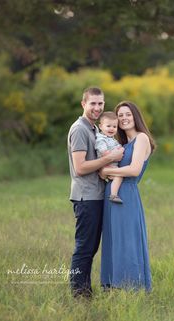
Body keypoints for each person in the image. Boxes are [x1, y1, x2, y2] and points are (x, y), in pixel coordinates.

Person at [67, 87, 124, 298]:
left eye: (101, 103)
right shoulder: (80, 129)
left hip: (95, 196)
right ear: (83, 104)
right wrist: (110, 159)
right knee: (84, 248)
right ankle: (79, 294)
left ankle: (84, 291)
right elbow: (80, 167)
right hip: (86, 197)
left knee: (90, 248)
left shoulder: (93, 129)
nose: (97, 107)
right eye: (93, 103)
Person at [100, 101, 156, 291]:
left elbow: (133, 170)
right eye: (120, 115)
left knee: (127, 240)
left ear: (135, 116)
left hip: (127, 195)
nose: (124, 118)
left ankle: (132, 286)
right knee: (114, 239)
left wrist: (107, 171)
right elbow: (102, 172)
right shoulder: (121, 144)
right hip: (111, 195)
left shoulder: (141, 139)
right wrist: (105, 170)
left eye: (127, 114)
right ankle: (112, 285)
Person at [95, 111, 123, 204]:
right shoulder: (100, 139)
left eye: (114, 126)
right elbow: (105, 153)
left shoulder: (111, 139)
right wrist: (116, 155)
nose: (111, 129)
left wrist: (120, 150)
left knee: (118, 175)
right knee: (119, 176)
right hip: (106, 165)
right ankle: (113, 195)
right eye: (108, 126)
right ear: (100, 126)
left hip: (110, 165)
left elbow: (118, 147)